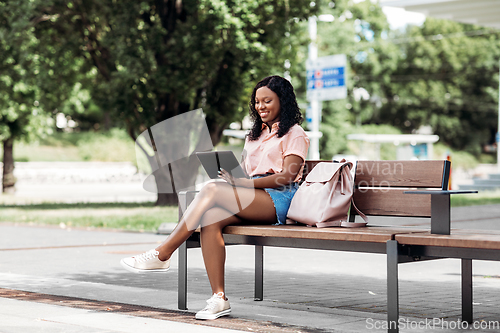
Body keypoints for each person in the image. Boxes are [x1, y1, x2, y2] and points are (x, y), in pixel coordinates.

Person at [120, 75, 310, 320]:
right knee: (210, 217)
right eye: (257, 102)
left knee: (210, 189)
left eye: (267, 101)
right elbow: (245, 171)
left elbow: (287, 177)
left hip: (278, 199)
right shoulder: (254, 135)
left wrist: (244, 183)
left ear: (283, 101)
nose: (260, 106)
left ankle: (163, 253)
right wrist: (235, 178)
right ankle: (219, 299)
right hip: (252, 194)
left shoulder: (294, 133)